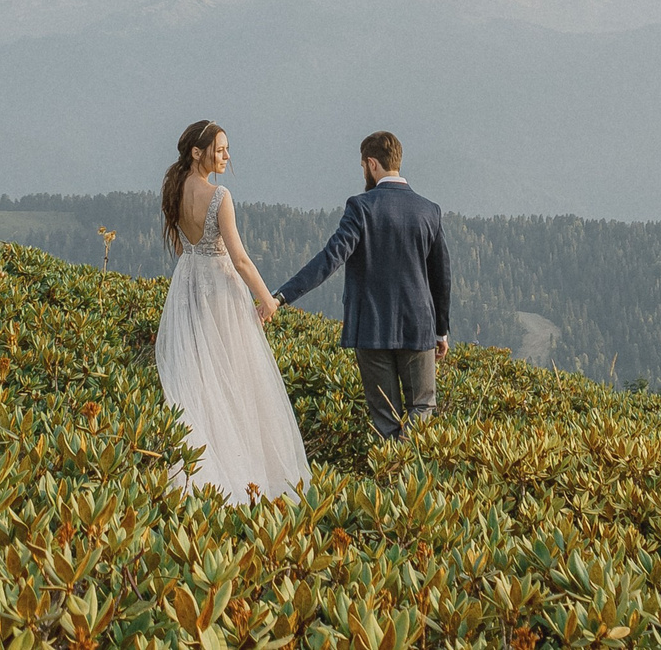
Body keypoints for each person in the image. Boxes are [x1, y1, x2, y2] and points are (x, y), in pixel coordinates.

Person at [152, 119, 310, 498]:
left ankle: (198, 470)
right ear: (197, 152)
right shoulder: (219, 196)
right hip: (221, 292)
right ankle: (244, 476)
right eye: (220, 149)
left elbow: (181, 245)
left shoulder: (174, 189)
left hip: (187, 285)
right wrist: (266, 299)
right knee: (237, 380)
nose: (226, 156)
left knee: (200, 378)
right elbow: (239, 258)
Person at [274, 130, 450, 440]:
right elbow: (441, 276)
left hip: (371, 328)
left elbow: (330, 259)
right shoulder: (429, 211)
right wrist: (441, 330)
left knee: (385, 417)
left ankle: (391, 470)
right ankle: (412, 474)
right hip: (418, 327)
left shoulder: (361, 207)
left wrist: (282, 295)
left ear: (371, 164)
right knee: (422, 406)